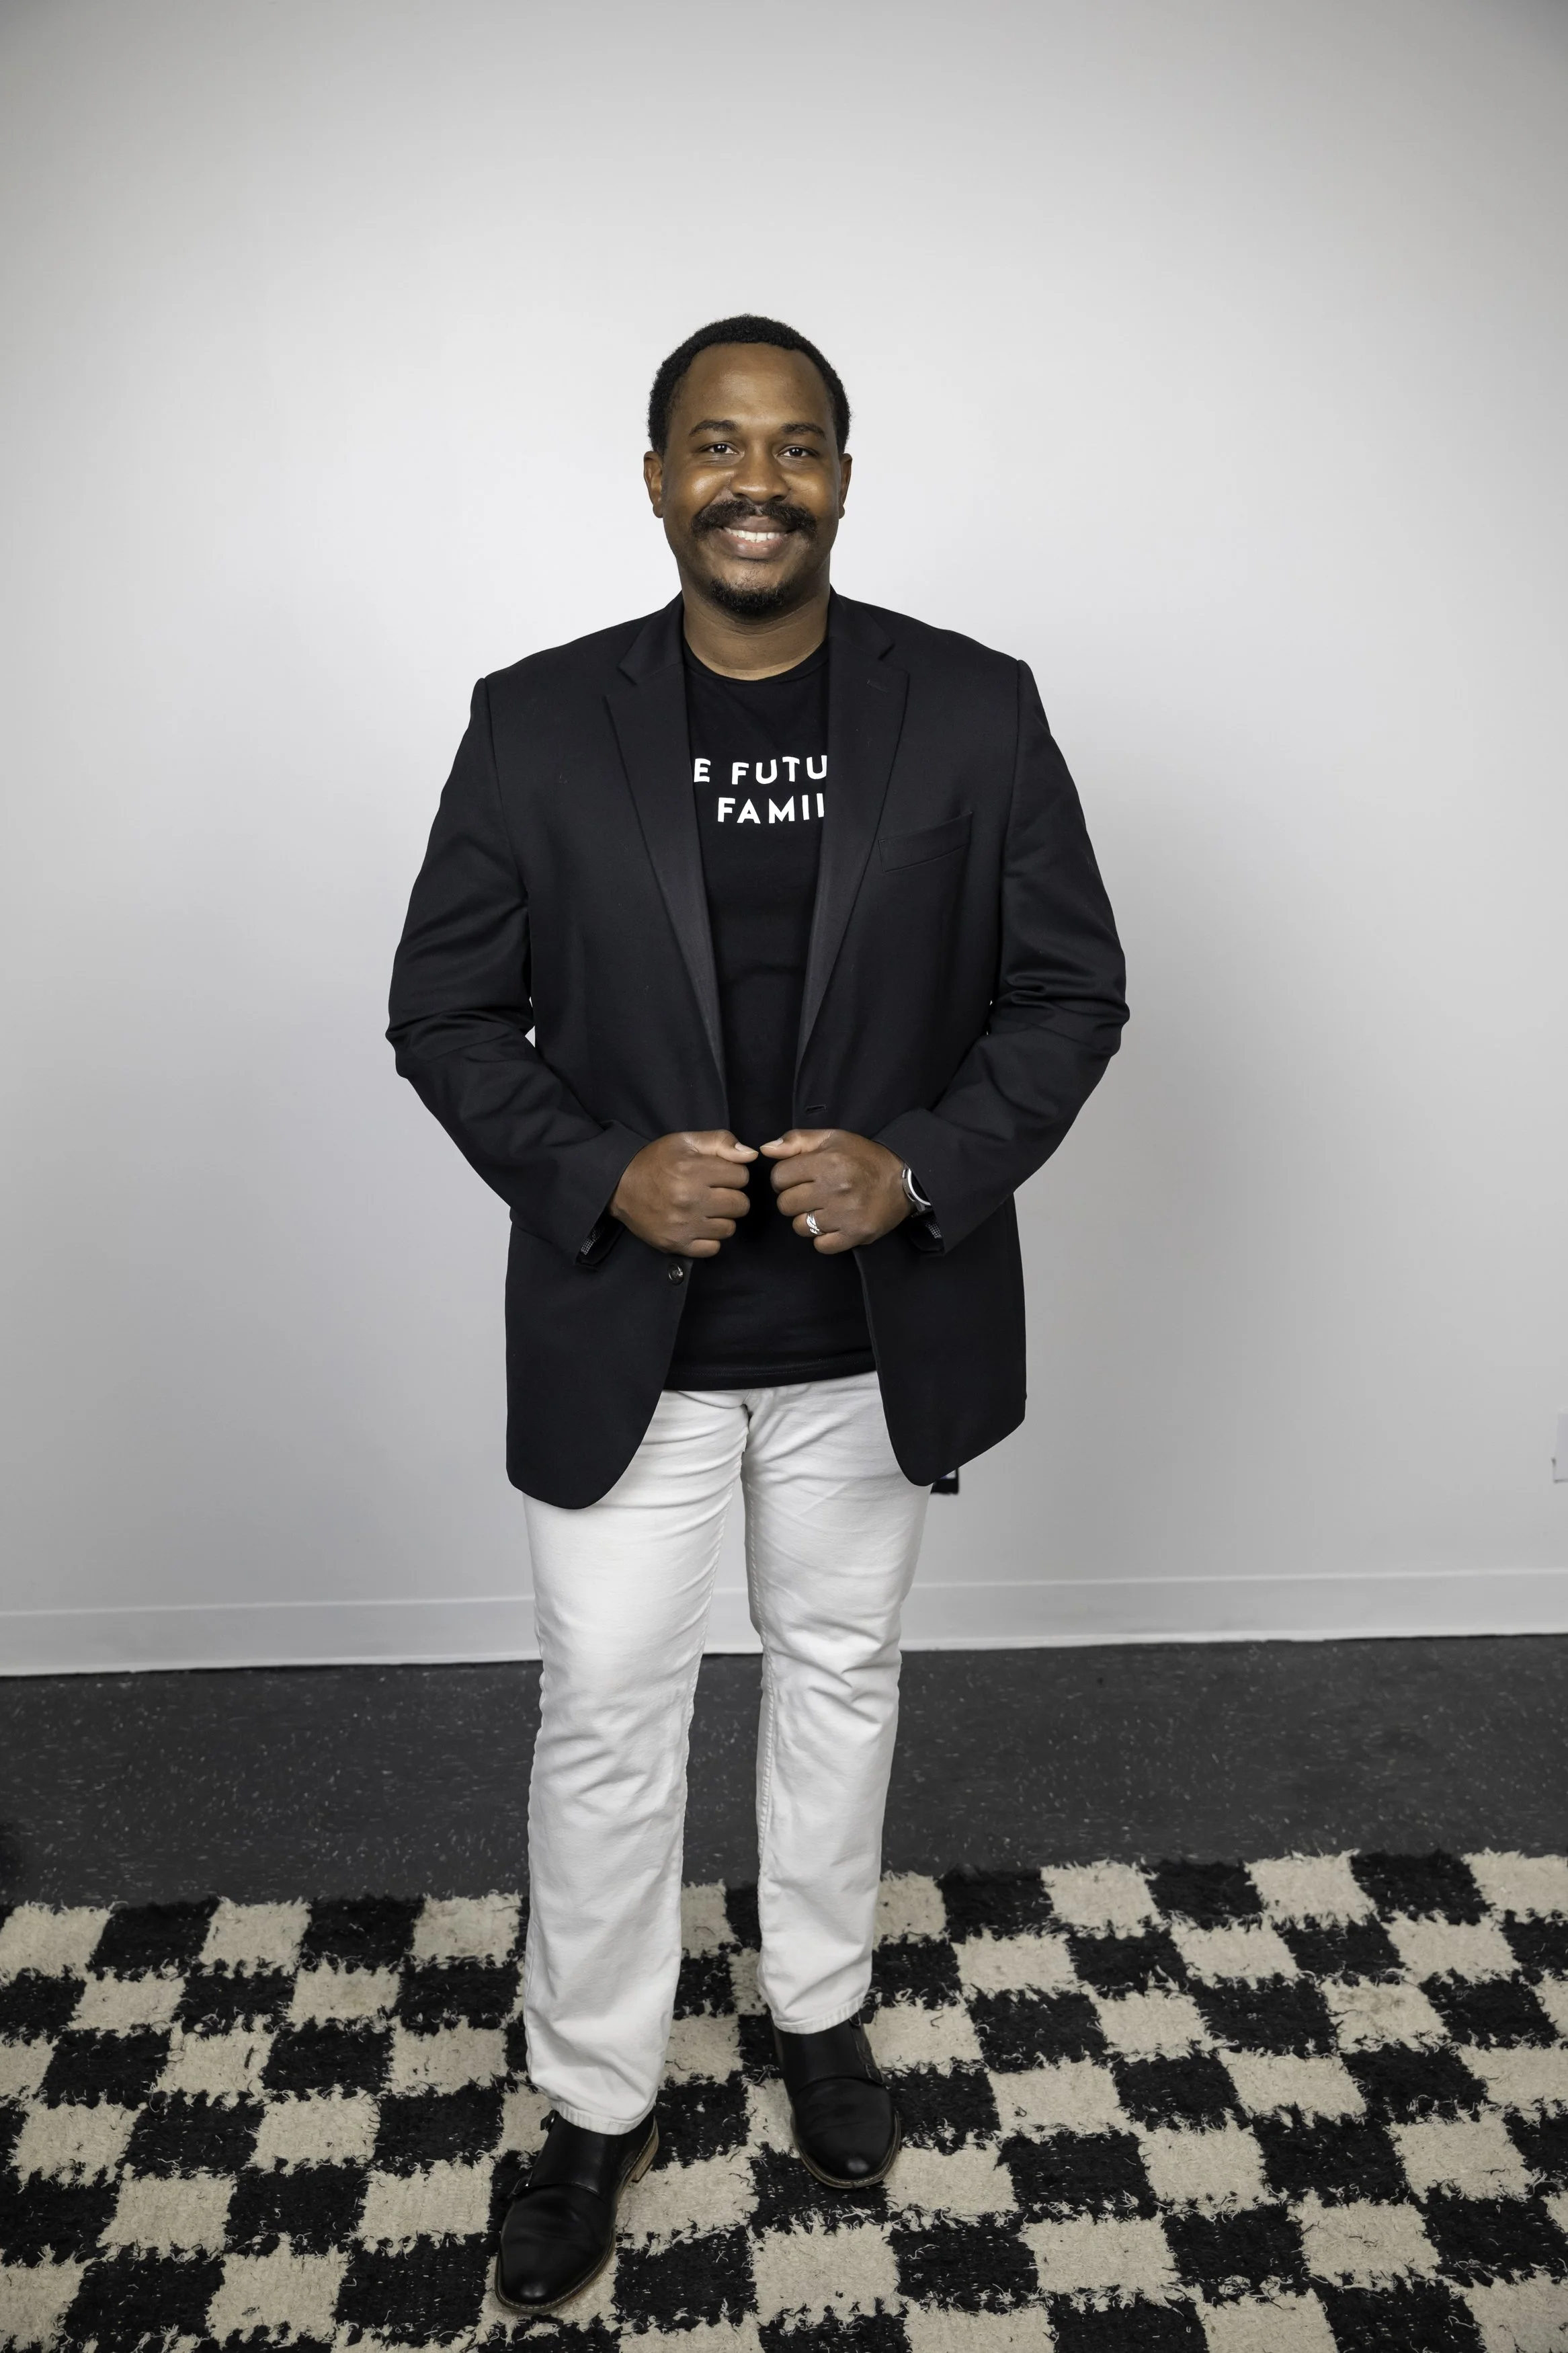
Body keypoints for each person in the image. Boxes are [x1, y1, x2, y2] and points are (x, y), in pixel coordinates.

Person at [388, 315, 1128, 2313]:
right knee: (608, 1719)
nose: (756, 480)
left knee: (839, 1675)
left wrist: (924, 1164)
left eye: (795, 447)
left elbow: (1070, 989)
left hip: (873, 1331)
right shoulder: (536, 720)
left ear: (842, 481)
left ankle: (817, 2006)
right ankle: (594, 2093)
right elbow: (443, 1011)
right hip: (624, 1333)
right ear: (656, 480)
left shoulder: (970, 708)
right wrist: (598, 1170)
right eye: (716, 445)